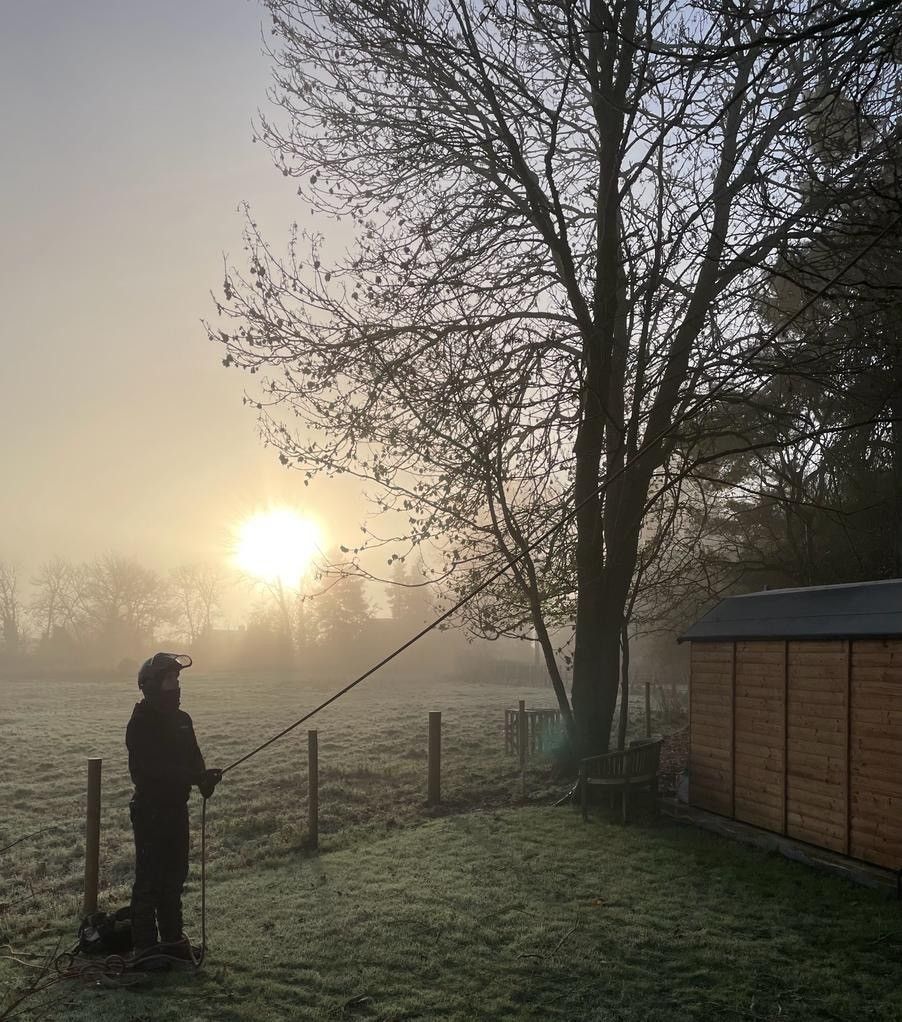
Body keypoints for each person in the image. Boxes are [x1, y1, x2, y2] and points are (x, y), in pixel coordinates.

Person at [126, 652, 221, 961]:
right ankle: (145, 947)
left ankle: (171, 941)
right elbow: (154, 768)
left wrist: (204, 778)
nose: (175, 686)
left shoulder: (183, 720)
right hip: (151, 811)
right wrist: (192, 776)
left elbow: (193, 757)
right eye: (169, 680)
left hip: (177, 809)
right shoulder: (141, 722)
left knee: (175, 876)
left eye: (177, 680)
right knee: (149, 880)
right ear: (151, 685)